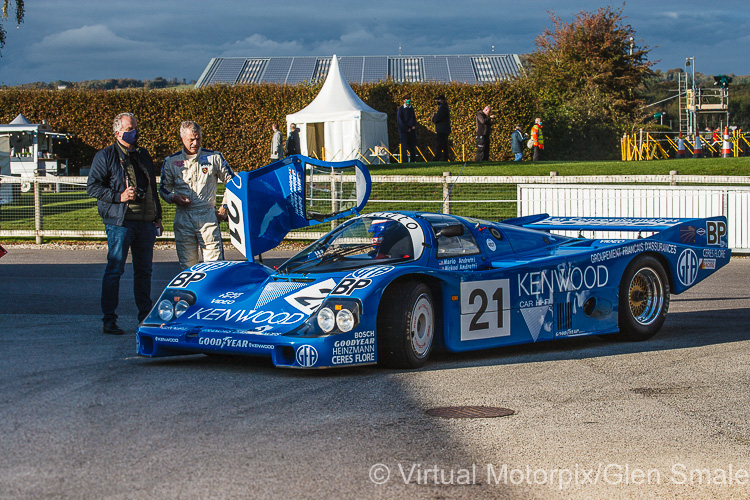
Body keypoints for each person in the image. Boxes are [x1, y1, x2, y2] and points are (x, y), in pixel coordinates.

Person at [87, 112, 163, 335]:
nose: (134, 132)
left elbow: (151, 187)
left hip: (145, 223)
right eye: (130, 129)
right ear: (118, 132)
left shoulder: (143, 155)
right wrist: (119, 196)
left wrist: (157, 216)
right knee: (115, 270)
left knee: (144, 272)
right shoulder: (106, 156)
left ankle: (145, 318)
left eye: (135, 127)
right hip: (120, 223)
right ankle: (109, 319)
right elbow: (92, 187)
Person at [159, 121, 235, 270]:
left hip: (208, 216)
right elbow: (163, 188)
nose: (195, 143)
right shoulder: (171, 161)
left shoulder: (214, 157)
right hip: (183, 216)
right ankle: (192, 294)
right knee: (187, 267)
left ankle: (213, 293)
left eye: (198, 139)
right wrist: (174, 198)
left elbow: (233, 183)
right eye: (191, 140)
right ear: (182, 138)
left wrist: (224, 208)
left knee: (215, 266)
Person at [396, 94, 418, 162]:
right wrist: (406, 128)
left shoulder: (411, 108)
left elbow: (414, 118)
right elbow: (400, 121)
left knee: (412, 147)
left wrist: (414, 125)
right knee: (404, 148)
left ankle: (413, 161)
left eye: (409, 99)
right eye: (407, 99)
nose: (408, 100)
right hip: (404, 132)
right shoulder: (401, 109)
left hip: (412, 131)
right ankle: (404, 161)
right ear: (404, 100)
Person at [430, 94, 451, 161]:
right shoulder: (444, 108)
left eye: (438, 99)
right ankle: (445, 158)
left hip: (442, 130)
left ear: (441, 100)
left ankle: (437, 158)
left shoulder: (443, 108)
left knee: (439, 145)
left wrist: (433, 117)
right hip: (444, 130)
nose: (437, 101)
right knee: (444, 146)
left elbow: (437, 119)